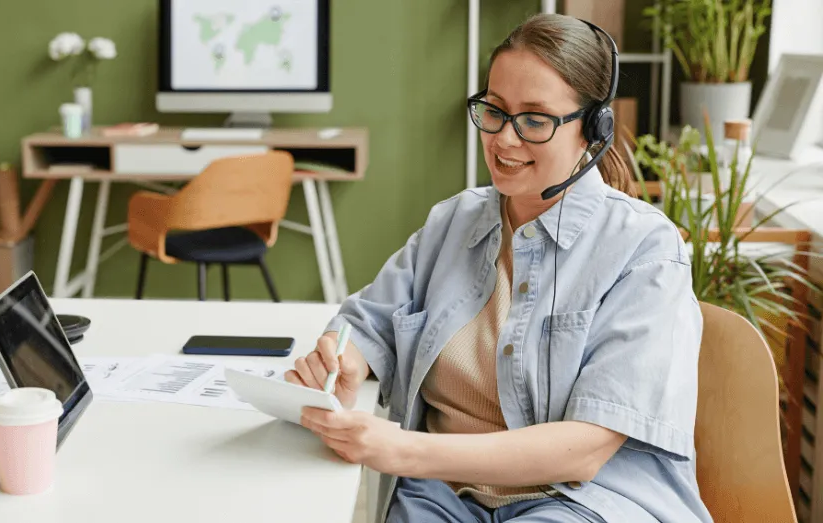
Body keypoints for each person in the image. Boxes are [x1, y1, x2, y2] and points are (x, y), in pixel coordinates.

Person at [285, 13, 712, 523]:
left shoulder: (644, 249)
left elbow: (585, 449)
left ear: (592, 131)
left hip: (580, 501)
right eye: (494, 110)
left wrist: (403, 450)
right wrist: (345, 360)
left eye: (534, 119)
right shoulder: (454, 221)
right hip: (444, 496)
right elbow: (367, 321)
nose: (504, 140)